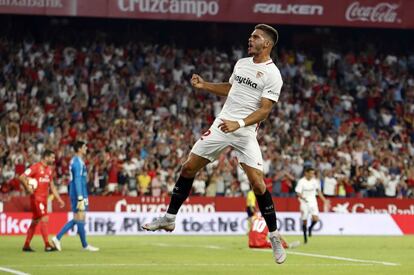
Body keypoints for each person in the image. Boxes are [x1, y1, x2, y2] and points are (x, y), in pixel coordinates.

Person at [142, 24, 286, 264]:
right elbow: (232, 89)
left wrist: (239, 124)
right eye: (251, 36)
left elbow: (264, 111)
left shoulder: (273, 75)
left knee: (258, 184)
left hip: (245, 131)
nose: (250, 39)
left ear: (267, 44)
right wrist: (205, 85)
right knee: (188, 168)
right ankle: (169, 218)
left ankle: (274, 236)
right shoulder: (241, 63)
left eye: (256, 37)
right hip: (222, 125)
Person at [52, 141, 99, 252]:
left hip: (80, 191)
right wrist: (80, 197)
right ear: (79, 149)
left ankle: (81, 244)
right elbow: (77, 180)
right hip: (79, 192)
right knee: (80, 217)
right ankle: (60, 238)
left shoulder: (77, 161)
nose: (86, 148)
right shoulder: (77, 162)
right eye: (84, 147)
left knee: (79, 218)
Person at [19, 149, 65, 252]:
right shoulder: (35, 167)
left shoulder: (49, 170)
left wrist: (59, 199)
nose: (54, 160)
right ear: (46, 157)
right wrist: (27, 188)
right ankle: (47, 245)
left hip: (44, 200)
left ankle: (26, 245)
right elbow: (22, 177)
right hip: (36, 199)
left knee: (35, 221)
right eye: (52, 157)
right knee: (44, 218)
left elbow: (52, 186)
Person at [295, 167, 329, 244]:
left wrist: (324, 200)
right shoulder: (301, 182)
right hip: (304, 202)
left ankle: (310, 228)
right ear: (306, 173)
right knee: (304, 221)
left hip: (313, 201)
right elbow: (298, 192)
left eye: (313, 173)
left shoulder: (315, 181)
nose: (312, 175)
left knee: (316, 219)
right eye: (311, 173)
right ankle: (305, 238)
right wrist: (302, 197)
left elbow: (318, 192)